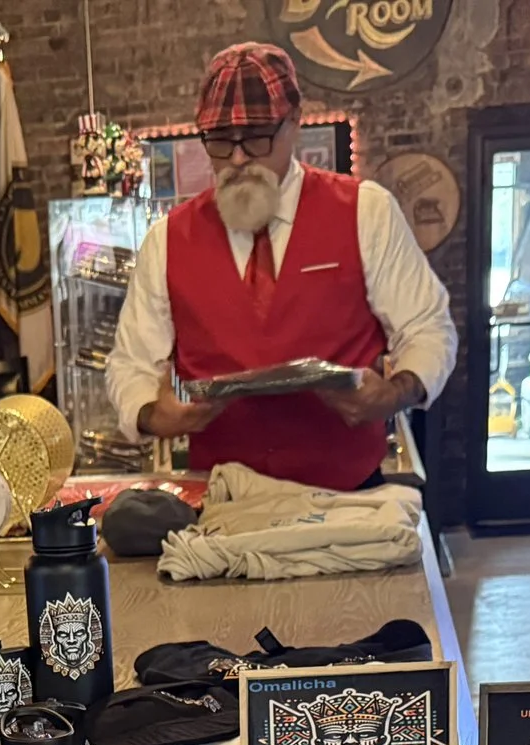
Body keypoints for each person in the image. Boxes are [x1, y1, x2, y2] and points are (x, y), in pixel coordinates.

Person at [104, 41, 458, 492]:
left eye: (256, 137)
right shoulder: (167, 240)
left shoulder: (365, 212)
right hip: (222, 499)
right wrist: (154, 415)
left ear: (294, 122)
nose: (236, 158)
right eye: (218, 141)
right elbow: (129, 363)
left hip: (346, 493)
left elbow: (429, 327)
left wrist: (392, 394)